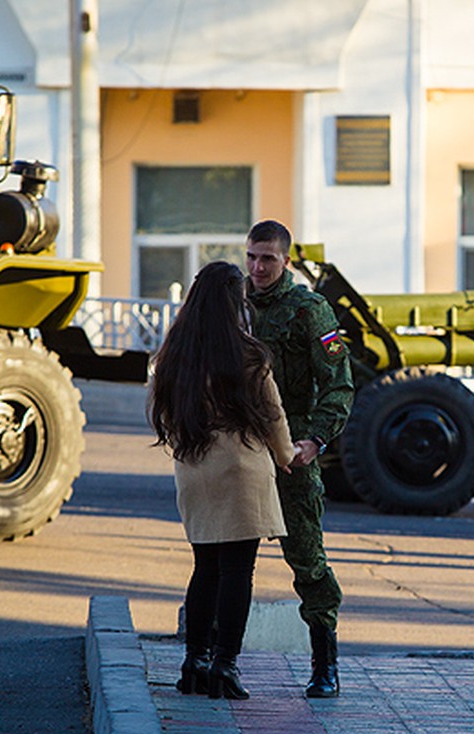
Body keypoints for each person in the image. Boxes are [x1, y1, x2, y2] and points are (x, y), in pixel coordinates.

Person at [149, 261, 297, 701]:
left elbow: (164, 411)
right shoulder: (248, 353)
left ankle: (194, 661)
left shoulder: (174, 353)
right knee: (238, 572)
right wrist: (287, 455)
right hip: (242, 471)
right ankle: (225, 666)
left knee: (205, 568)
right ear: (236, 301)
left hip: (195, 470)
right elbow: (273, 414)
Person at [245, 219, 355, 699]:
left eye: (267, 258)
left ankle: (324, 664)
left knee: (308, 560)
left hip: (291, 452)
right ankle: (215, 659)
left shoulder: (310, 310)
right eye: (251, 256)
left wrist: (315, 441)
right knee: (227, 557)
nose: (257, 267)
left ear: (286, 261)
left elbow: (339, 384)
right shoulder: (235, 306)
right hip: (242, 450)